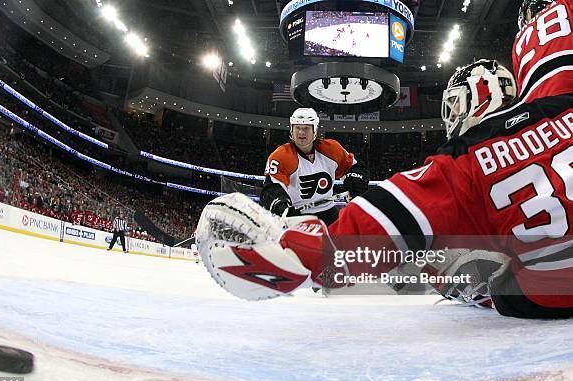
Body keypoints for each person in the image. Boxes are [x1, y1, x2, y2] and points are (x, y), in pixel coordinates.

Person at [196, 47, 572, 318]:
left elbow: (389, 212)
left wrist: (299, 252)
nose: (303, 132)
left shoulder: (464, 162)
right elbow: (278, 190)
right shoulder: (563, 105)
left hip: (548, 289)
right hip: (304, 211)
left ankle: (476, 285)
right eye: (299, 127)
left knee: (447, 261)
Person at [260, 108, 369, 226]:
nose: (301, 132)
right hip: (297, 215)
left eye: (306, 128)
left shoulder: (332, 149)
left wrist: (355, 181)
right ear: (292, 130)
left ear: (315, 131)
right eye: (297, 128)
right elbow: (272, 188)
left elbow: (354, 167)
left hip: (329, 213)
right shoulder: (280, 156)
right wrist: (281, 206)